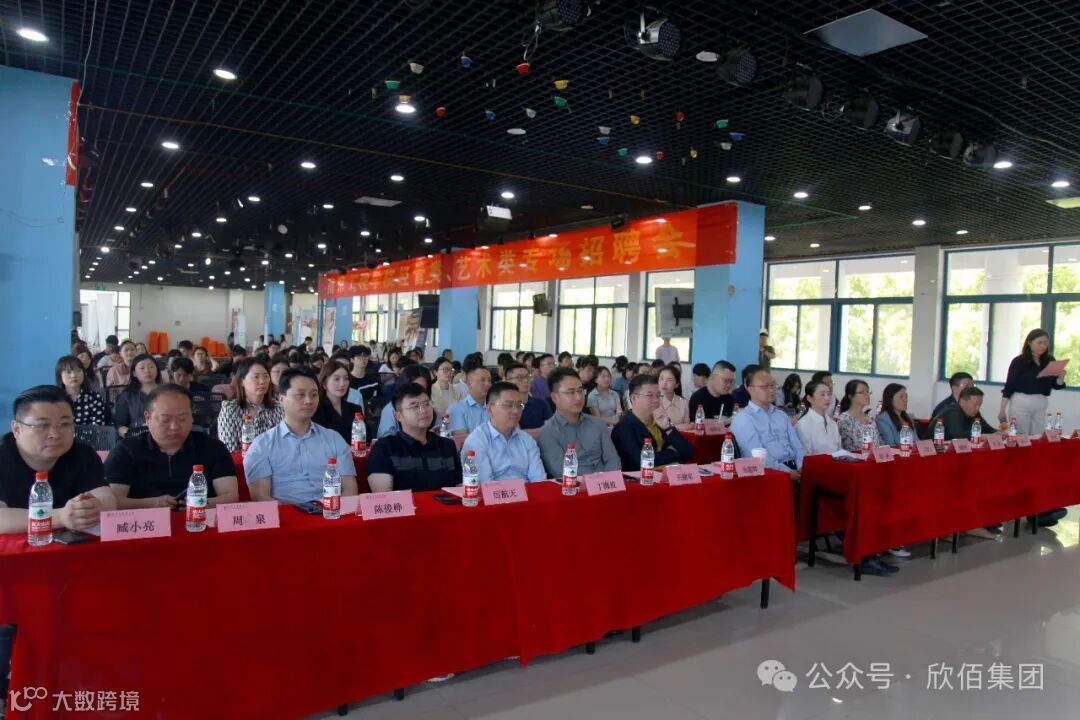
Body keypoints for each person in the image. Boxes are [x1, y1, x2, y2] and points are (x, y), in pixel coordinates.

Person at [0, 386, 116, 533]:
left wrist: (93, 507)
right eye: (42, 425)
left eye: (65, 424)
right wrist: (60, 517)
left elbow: (107, 498)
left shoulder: (82, 454)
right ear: (17, 429)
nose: (55, 434)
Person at [105, 385, 238, 509]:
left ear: (192, 417)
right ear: (147, 418)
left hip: (200, 520)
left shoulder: (213, 448)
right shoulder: (126, 450)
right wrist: (153, 504)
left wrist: (201, 503)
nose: (174, 426)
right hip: (145, 523)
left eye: (182, 419)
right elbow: (113, 500)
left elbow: (230, 496)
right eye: (165, 420)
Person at [243, 369, 358, 504]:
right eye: (300, 395)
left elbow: (350, 489)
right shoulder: (262, 445)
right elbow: (261, 498)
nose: (308, 401)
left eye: (314, 395)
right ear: (282, 400)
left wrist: (331, 510)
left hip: (330, 512)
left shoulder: (334, 439)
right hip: (285, 514)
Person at [368, 383, 463, 493]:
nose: (423, 410)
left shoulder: (448, 445)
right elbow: (384, 498)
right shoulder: (384, 448)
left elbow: (460, 490)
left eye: (427, 404)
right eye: (414, 406)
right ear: (399, 416)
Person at [539, 368, 621, 479]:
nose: (578, 397)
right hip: (574, 487)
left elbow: (613, 459)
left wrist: (607, 481)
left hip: (606, 484)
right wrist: (595, 480)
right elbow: (560, 471)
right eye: (571, 392)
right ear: (555, 398)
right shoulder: (548, 431)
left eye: (580, 391)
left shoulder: (597, 424)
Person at [460, 382, 546, 483]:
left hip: (528, 492)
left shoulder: (526, 440)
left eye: (519, 405)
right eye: (508, 405)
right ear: (490, 409)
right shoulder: (477, 441)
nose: (516, 411)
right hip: (494, 492)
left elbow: (539, 480)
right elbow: (485, 485)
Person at [729, 369, 805, 479]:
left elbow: (797, 446)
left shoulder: (781, 415)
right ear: (750, 389)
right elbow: (757, 457)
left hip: (796, 468)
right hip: (769, 473)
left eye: (773, 385)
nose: (771, 390)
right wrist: (787, 473)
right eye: (765, 386)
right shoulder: (743, 419)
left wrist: (801, 466)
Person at [612, 374, 693, 471]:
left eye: (658, 395)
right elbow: (641, 461)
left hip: (669, 473)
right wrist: (674, 452)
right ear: (634, 398)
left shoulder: (660, 419)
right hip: (642, 477)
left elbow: (688, 451)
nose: (656, 400)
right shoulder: (624, 427)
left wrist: (667, 428)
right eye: (650, 395)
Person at [998, 328, 1067, 435]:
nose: (1042, 346)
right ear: (1029, 342)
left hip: (1040, 400)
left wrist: (1061, 377)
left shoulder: (1049, 360)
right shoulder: (1019, 361)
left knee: (1038, 434)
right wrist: (1002, 409)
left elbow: (1056, 385)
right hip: (1021, 400)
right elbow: (1009, 386)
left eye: (1045, 343)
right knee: (1020, 434)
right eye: (1039, 343)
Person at [217, 358, 284, 453]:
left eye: (266, 376)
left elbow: (284, 444)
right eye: (256, 377)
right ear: (241, 382)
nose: (262, 381)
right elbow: (229, 449)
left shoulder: (278, 408)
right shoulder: (230, 409)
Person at [377, 363, 437, 437]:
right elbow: (385, 439)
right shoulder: (391, 409)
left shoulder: (430, 406)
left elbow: (441, 430)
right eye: (414, 388)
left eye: (423, 389)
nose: (419, 393)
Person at [312, 360, 363, 445]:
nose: (342, 384)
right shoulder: (316, 411)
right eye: (336, 379)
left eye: (346, 379)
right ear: (324, 383)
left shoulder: (355, 409)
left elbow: (366, 437)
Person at [113, 353, 161, 437]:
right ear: (134, 373)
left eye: (151, 367)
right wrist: (131, 434)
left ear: (157, 370)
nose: (147, 370)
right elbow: (120, 426)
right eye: (142, 368)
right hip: (136, 438)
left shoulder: (168, 393)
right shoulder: (126, 396)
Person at [448, 357, 492, 436]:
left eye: (489, 380)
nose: (487, 384)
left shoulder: (494, 408)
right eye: (482, 380)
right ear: (469, 383)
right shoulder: (456, 408)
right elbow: (461, 439)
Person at [795, 380, 841, 455]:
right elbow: (805, 456)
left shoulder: (833, 423)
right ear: (809, 398)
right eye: (822, 394)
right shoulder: (803, 424)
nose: (827, 398)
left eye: (829, 394)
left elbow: (839, 450)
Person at [56, 355, 105, 426]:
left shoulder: (94, 397)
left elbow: (98, 426)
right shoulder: (55, 400)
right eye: (68, 372)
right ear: (60, 376)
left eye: (78, 371)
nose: (73, 375)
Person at [836, 380, 881, 452]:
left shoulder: (870, 418)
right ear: (850, 396)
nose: (867, 395)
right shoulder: (844, 420)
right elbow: (847, 447)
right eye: (861, 392)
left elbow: (878, 443)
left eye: (867, 392)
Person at [505, 362, 552, 430]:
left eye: (528, 377)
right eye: (519, 377)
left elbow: (552, 429)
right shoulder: (503, 406)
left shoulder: (541, 404)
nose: (526, 380)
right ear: (508, 381)